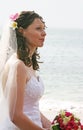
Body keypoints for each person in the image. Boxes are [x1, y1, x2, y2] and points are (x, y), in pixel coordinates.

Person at [0, 11, 51, 130]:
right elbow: (15, 116)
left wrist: (48, 124)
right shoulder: (18, 66)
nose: (44, 33)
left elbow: (30, 105)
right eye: (38, 29)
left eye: (44, 28)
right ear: (21, 31)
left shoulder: (27, 63)